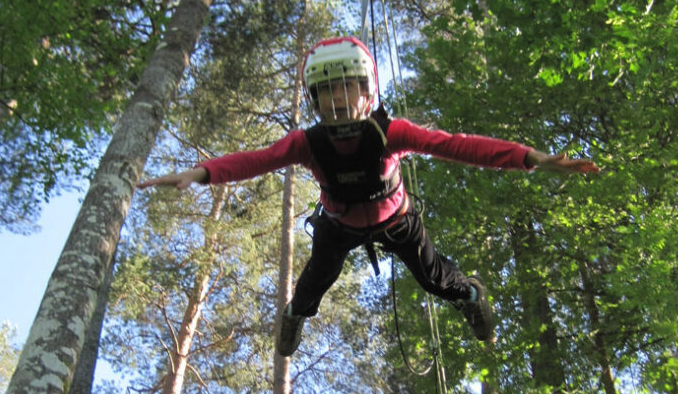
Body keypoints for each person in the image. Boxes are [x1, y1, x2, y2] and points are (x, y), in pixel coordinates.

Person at [139, 35, 598, 355]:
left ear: (366, 91)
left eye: (347, 88)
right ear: (314, 99)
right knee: (314, 283)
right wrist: (200, 173)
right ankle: (295, 316)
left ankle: (472, 298)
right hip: (338, 226)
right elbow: (256, 160)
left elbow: (456, 145)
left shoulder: (388, 131)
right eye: (328, 91)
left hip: (397, 221)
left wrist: (531, 158)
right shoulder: (308, 144)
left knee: (435, 278)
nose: (338, 100)